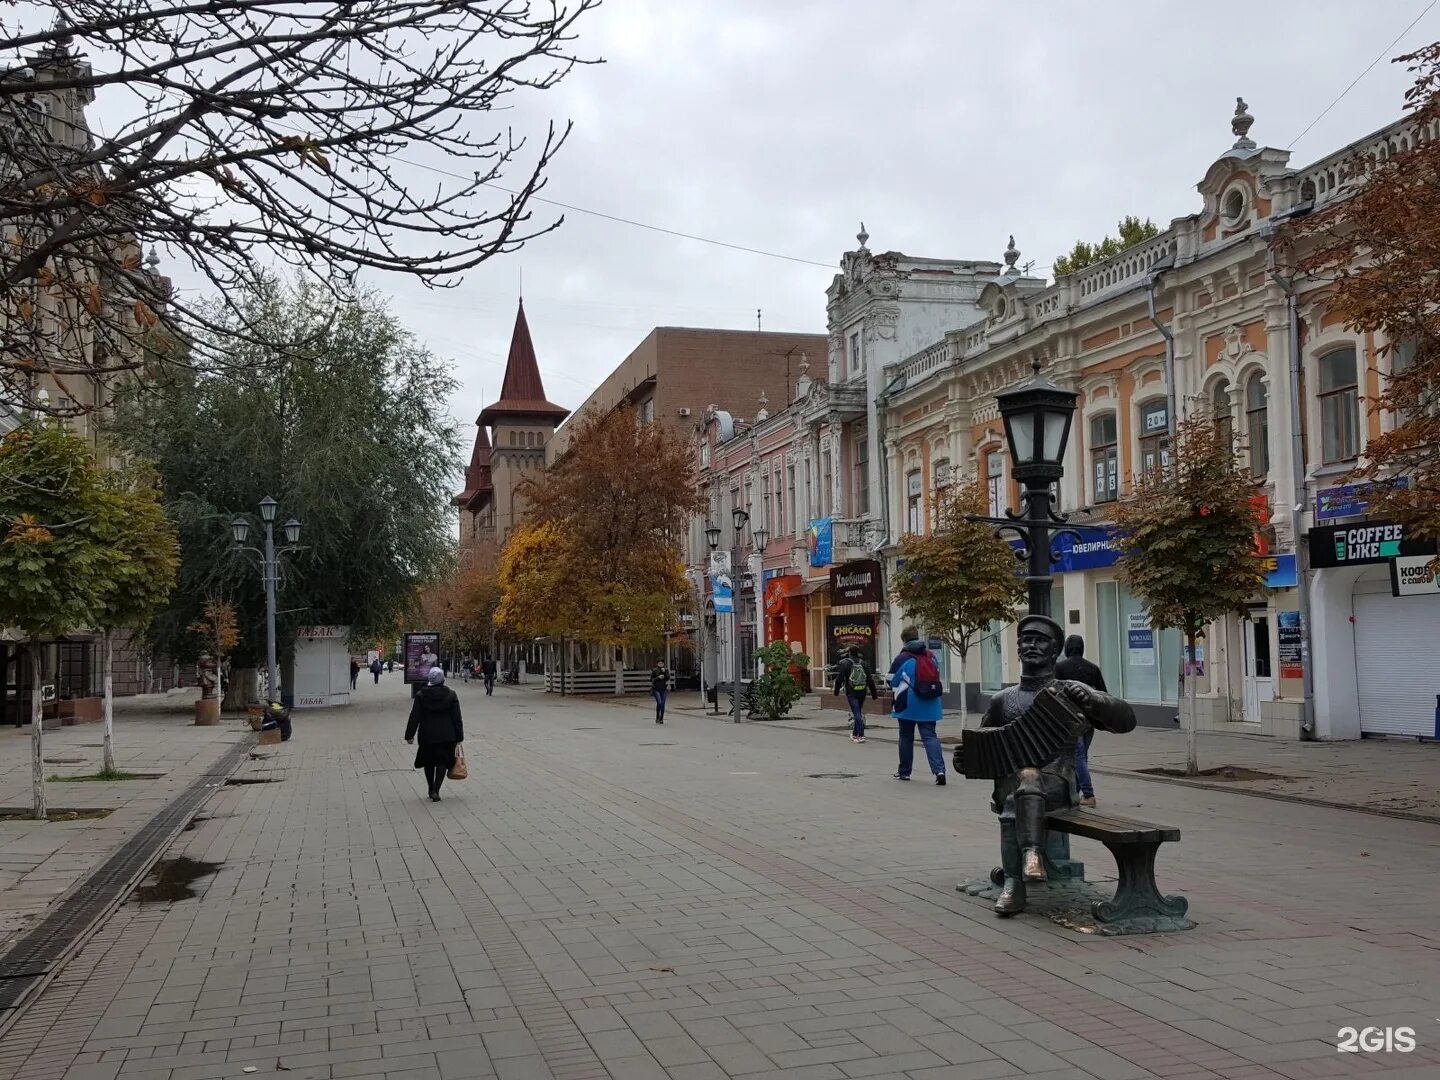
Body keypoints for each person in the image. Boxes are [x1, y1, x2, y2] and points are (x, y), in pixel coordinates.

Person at [957, 615, 1135, 916]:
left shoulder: (1069, 692)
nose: (1031, 645)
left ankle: (1017, 878)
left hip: (1059, 787)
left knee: (1026, 782)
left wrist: (1095, 701)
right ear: (1018, 649)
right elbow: (982, 746)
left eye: (1041, 640)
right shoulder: (1003, 700)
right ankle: (1026, 865)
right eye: (1026, 639)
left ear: (1055, 651)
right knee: (1022, 782)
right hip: (1011, 786)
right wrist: (964, 759)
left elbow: (1126, 722)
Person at [889, 627, 946, 784]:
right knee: (930, 736)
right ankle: (939, 771)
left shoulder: (902, 658)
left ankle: (905, 772)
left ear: (904, 640)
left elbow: (891, 680)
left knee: (906, 737)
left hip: (908, 703)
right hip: (930, 702)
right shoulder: (931, 656)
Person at [1054, 634, 1106, 807]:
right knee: (1081, 756)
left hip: (1070, 719)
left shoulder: (1059, 668)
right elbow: (1103, 694)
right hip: (1089, 720)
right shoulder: (1093, 668)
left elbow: (1054, 693)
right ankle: (1074, 792)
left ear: (1067, 648)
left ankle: (1088, 794)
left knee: (1078, 757)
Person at [405, 667, 464, 802]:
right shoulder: (451, 695)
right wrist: (459, 736)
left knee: (428, 762)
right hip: (446, 734)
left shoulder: (421, 695)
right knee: (442, 762)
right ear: (443, 679)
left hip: (427, 734)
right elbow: (457, 718)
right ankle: (436, 790)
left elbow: (415, 716)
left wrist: (409, 734)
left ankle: (430, 788)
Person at [832, 647, 874, 743]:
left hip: (851, 692)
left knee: (857, 713)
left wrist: (836, 691)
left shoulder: (845, 663)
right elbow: (870, 679)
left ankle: (861, 734)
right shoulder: (863, 663)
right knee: (858, 711)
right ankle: (855, 734)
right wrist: (873, 693)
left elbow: (839, 679)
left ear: (849, 653)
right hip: (862, 691)